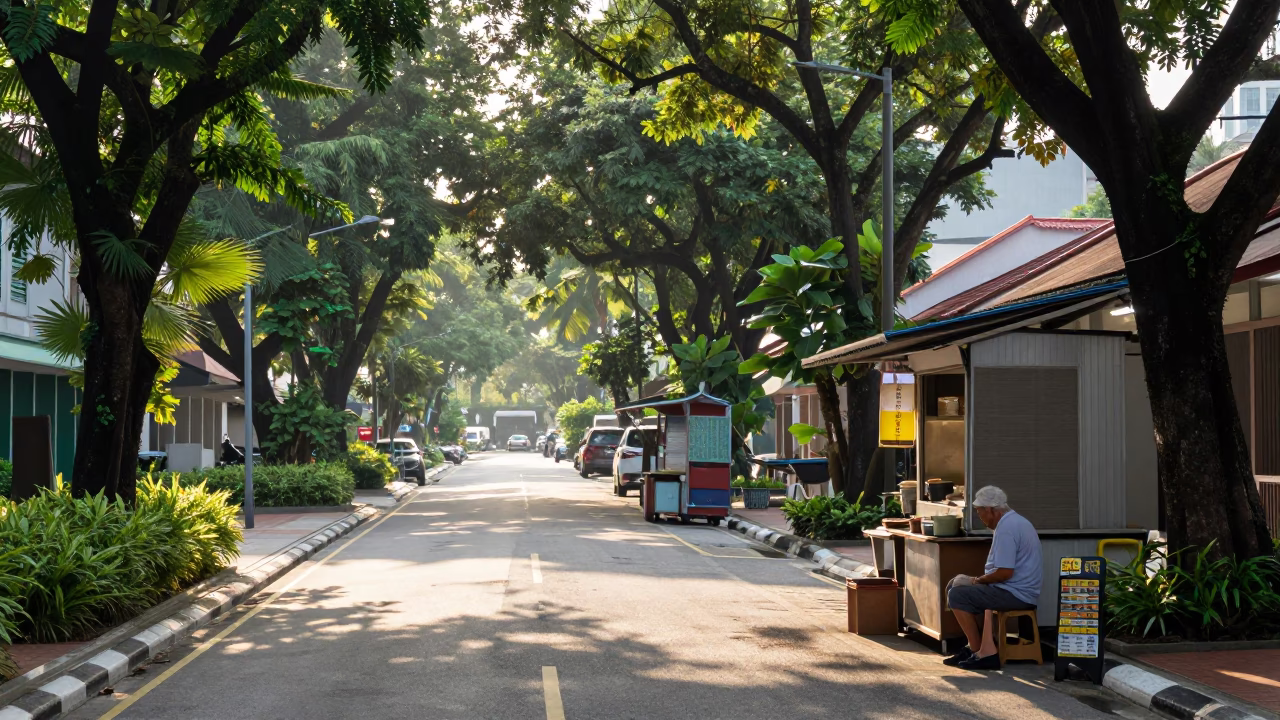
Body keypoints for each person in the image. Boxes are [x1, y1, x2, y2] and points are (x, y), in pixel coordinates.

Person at [943, 485, 1042, 670]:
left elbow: (1004, 573)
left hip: (1016, 593)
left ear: (990, 510)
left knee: (957, 594)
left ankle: (979, 651)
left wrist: (977, 580)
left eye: (980, 512)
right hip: (1014, 588)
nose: (980, 517)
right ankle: (975, 647)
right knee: (953, 585)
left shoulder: (1007, 528)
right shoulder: (1014, 521)